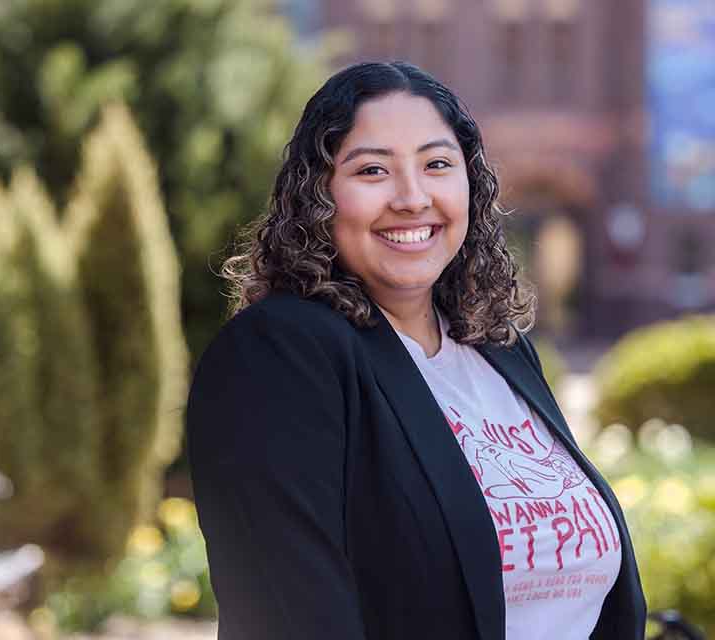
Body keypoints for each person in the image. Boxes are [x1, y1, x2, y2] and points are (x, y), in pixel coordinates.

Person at [186, 61, 646, 640]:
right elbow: (291, 617)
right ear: (318, 195)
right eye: (373, 170)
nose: (411, 198)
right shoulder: (278, 354)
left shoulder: (499, 350)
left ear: (469, 187)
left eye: (437, 165)